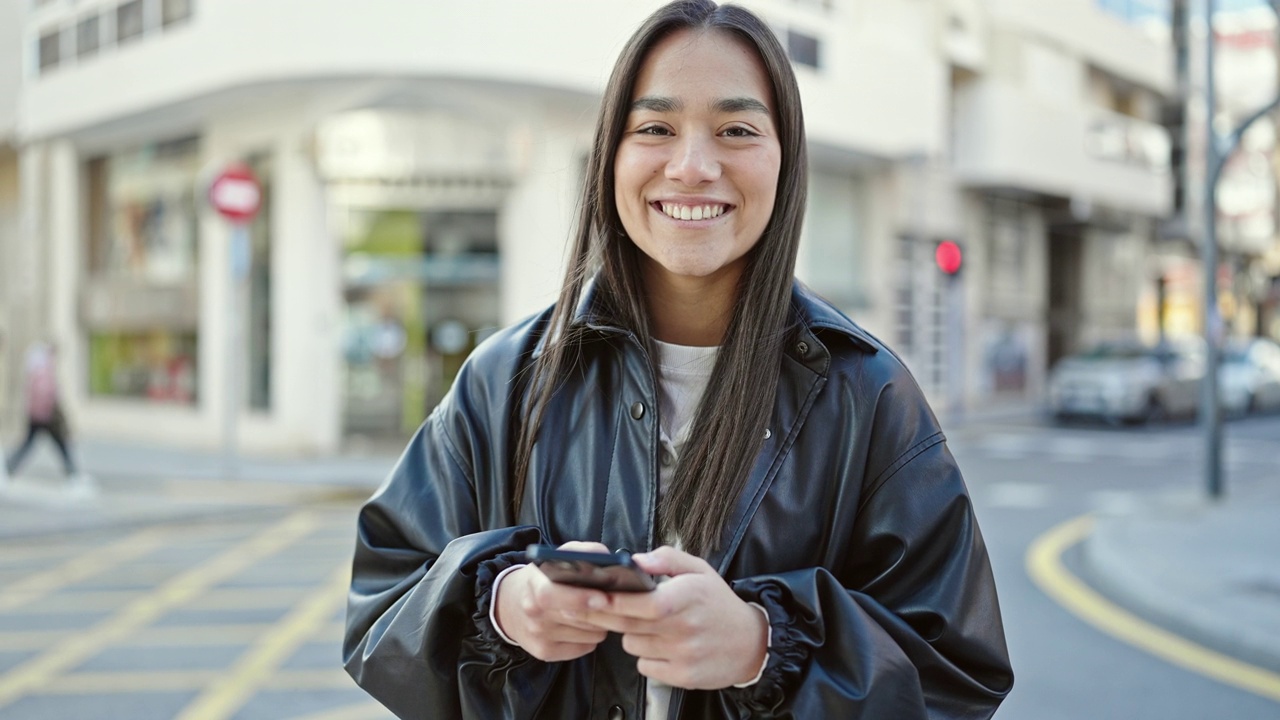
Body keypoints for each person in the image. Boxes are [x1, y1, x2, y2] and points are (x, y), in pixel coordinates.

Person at [343, 2, 1013, 718]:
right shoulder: (505, 378)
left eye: (736, 130)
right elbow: (382, 603)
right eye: (656, 128)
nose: (693, 167)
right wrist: (504, 604)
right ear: (611, 155)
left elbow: (954, 676)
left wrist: (761, 645)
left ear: (786, 159)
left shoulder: (866, 393)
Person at [4, 342, 87, 490]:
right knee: (60, 445)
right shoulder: (44, 371)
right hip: (46, 416)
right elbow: (47, 395)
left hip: (37, 415)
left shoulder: (36, 369)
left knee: (32, 445)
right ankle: (73, 473)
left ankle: (10, 466)